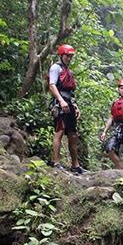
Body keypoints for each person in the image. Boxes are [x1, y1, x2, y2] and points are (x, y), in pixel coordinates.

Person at [48, 44, 85, 174]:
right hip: (60, 103)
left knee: (72, 134)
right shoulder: (55, 68)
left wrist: (74, 105)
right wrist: (61, 100)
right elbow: (52, 86)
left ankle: (75, 165)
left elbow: (71, 92)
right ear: (61, 55)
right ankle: (56, 163)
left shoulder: (68, 71)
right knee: (59, 131)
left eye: (71, 56)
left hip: (69, 103)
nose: (69, 58)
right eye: (67, 55)